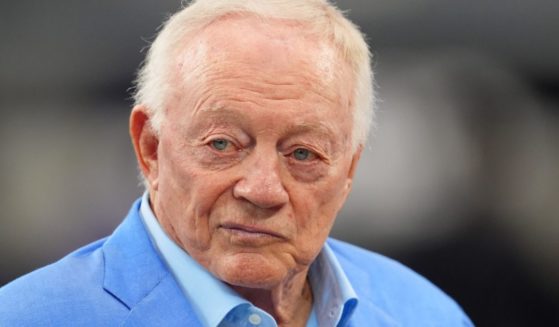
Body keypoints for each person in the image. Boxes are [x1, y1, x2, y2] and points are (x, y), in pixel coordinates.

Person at [0, 0, 473, 326]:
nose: (263, 190)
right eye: (223, 145)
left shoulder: (426, 315)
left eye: (303, 154)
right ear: (150, 147)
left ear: (348, 171)